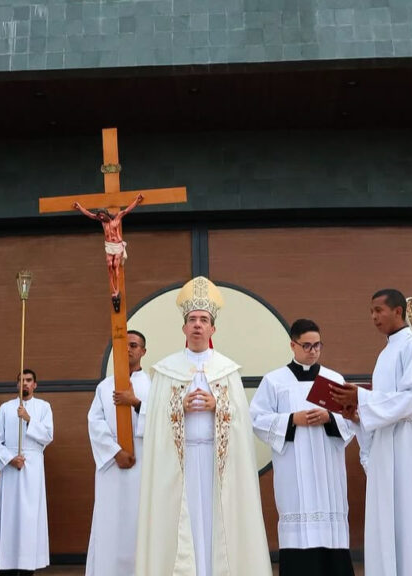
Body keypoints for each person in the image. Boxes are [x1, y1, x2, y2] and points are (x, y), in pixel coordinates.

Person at [136, 276, 271, 576]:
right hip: (179, 466)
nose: (198, 324)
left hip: (215, 463)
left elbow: (240, 420)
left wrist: (218, 406)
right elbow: (154, 422)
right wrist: (177, 407)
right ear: (184, 328)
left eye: (204, 320)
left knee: (215, 523)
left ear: (213, 328)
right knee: (183, 523)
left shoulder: (227, 370)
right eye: (193, 319)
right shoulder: (166, 371)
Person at [329, 289, 412, 576]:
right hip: (387, 442)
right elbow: (385, 401)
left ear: (398, 311)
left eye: (379, 310)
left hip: (409, 443)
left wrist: (361, 399)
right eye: (371, 311)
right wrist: (358, 415)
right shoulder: (387, 352)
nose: (373, 317)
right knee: (388, 518)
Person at [250, 318, 356, 576]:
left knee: (332, 529)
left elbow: (351, 418)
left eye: (317, 345)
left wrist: (330, 418)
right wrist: (291, 420)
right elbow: (256, 418)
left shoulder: (333, 379)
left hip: (327, 466)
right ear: (293, 345)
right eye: (307, 346)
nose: (313, 351)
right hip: (293, 468)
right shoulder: (275, 380)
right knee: (297, 528)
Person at [86, 330, 151, 576]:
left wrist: (135, 402)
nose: (129, 350)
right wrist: (115, 452)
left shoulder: (153, 386)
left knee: (138, 523)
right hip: (112, 468)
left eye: (134, 345)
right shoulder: (104, 387)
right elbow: (95, 422)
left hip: (142, 464)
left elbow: (161, 421)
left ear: (143, 351)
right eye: (124, 345)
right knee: (109, 523)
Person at [0, 369, 54, 575]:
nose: (24, 384)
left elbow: (48, 436)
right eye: (21, 381)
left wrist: (28, 419)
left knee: (30, 518)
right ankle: (7, 565)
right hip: (11, 468)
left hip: (33, 467)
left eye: (28, 381)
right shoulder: (5, 408)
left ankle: (29, 566)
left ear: (35, 384)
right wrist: (10, 459)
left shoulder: (43, 407)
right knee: (10, 516)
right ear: (16, 384)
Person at [73, 193, 144, 310]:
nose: (101, 217)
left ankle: (117, 290)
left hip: (117, 245)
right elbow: (90, 215)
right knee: (109, 265)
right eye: (99, 216)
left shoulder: (117, 218)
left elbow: (126, 210)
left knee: (116, 265)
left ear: (106, 214)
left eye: (102, 215)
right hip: (109, 246)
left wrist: (137, 201)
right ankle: (113, 290)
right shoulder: (103, 222)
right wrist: (79, 207)